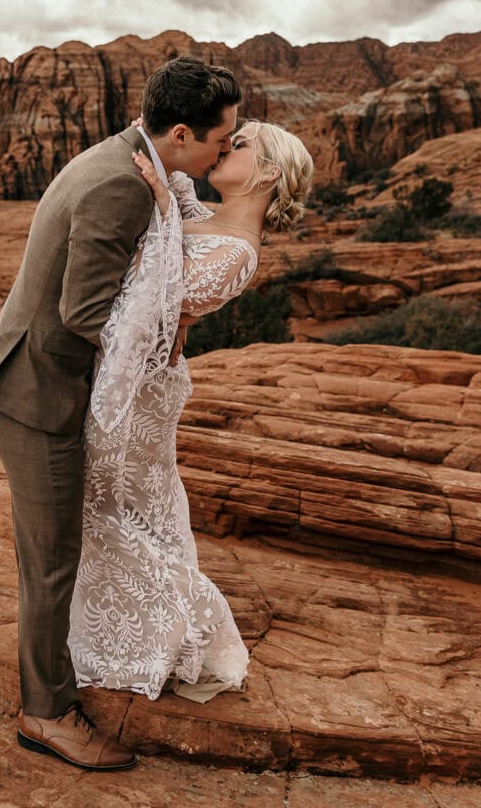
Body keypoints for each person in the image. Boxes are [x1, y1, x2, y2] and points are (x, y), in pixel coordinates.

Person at [0, 56, 241, 771]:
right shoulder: (123, 183)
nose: (221, 154)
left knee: (57, 552)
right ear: (180, 132)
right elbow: (88, 312)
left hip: (42, 382)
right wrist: (167, 343)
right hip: (36, 395)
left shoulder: (128, 161)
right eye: (220, 140)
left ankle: (58, 681)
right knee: (52, 561)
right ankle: (46, 715)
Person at [68, 120, 314, 702]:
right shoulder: (207, 218)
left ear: (270, 172)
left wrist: (158, 203)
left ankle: (161, 636)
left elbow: (154, 299)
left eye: (242, 142)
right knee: (113, 509)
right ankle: (125, 633)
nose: (227, 145)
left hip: (145, 398)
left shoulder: (238, 253)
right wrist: (167, 179)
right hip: (135, 381)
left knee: (119, 510)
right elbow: (168, 162)